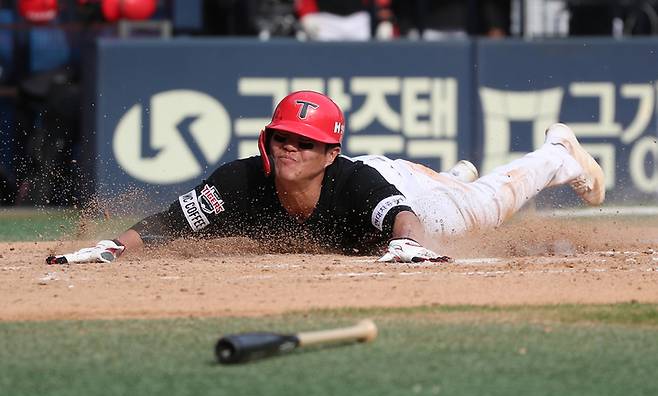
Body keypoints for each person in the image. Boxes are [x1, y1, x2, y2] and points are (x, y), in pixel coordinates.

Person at [46, 90, 604, 265]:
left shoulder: (351, 181)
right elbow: (172, 223)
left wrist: (408, 245)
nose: (290, 148)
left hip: (410, 198)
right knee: (452, 193)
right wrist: (111, 246)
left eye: (305, 142)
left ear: (328, 152)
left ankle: (559, 154)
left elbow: (398, 216)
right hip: (392, 182)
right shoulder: (241, 183)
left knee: (478, 209)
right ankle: (451, 176)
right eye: (282, 136)